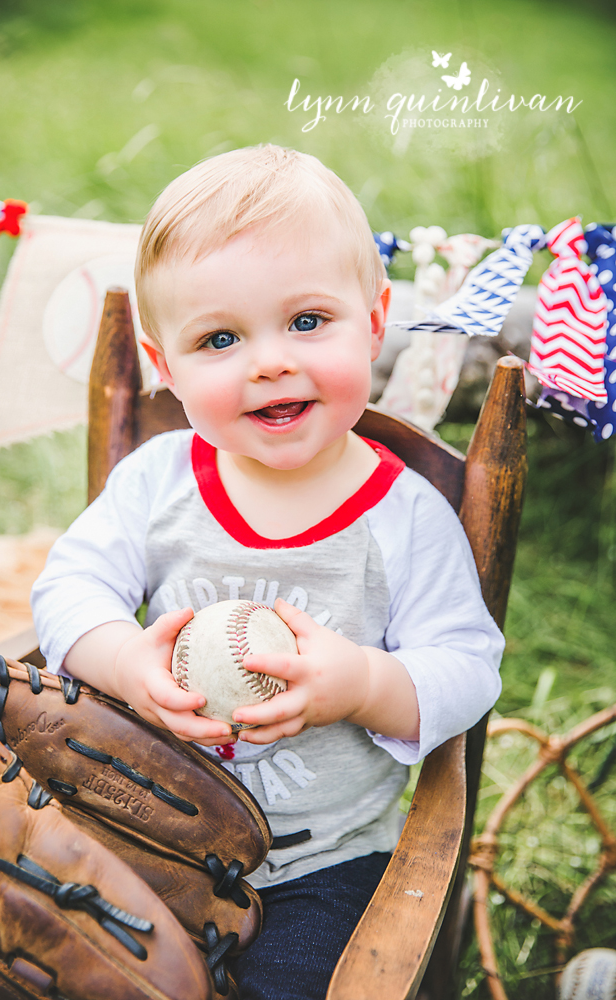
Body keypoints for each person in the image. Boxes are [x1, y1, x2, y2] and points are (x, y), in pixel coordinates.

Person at [32, 144, 504, 1000]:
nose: (269, 361)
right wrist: (123, 662)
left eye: (307, 321)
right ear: (165, 367)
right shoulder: (159, 481)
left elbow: (467, 666)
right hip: (143, 831)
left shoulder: (401, 517)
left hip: (323, 866)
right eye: (220, 338)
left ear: (374, 319)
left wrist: (360, 683)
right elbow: (69, 588)